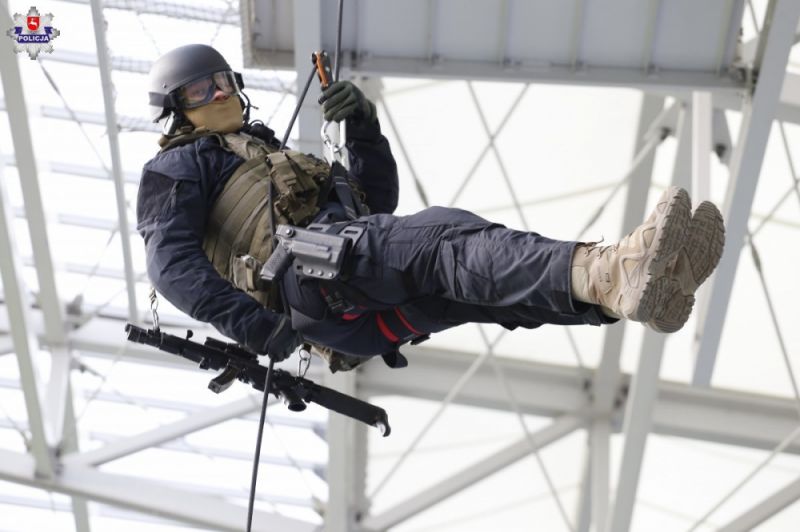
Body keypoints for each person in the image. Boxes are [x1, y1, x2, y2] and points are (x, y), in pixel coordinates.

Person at [137, 44, 725, 371]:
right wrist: (255, 328)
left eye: (219, 80)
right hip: (313, 286)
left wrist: (363, 127)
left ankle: (625, 293)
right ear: (176, 111)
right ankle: (614, 269)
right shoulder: (179, 167)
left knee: (481, 289)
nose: (215, 94)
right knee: (447, 240)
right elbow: (169, 265)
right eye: (196, 91)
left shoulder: (268, 157)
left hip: (357, 314)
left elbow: (374, 206)